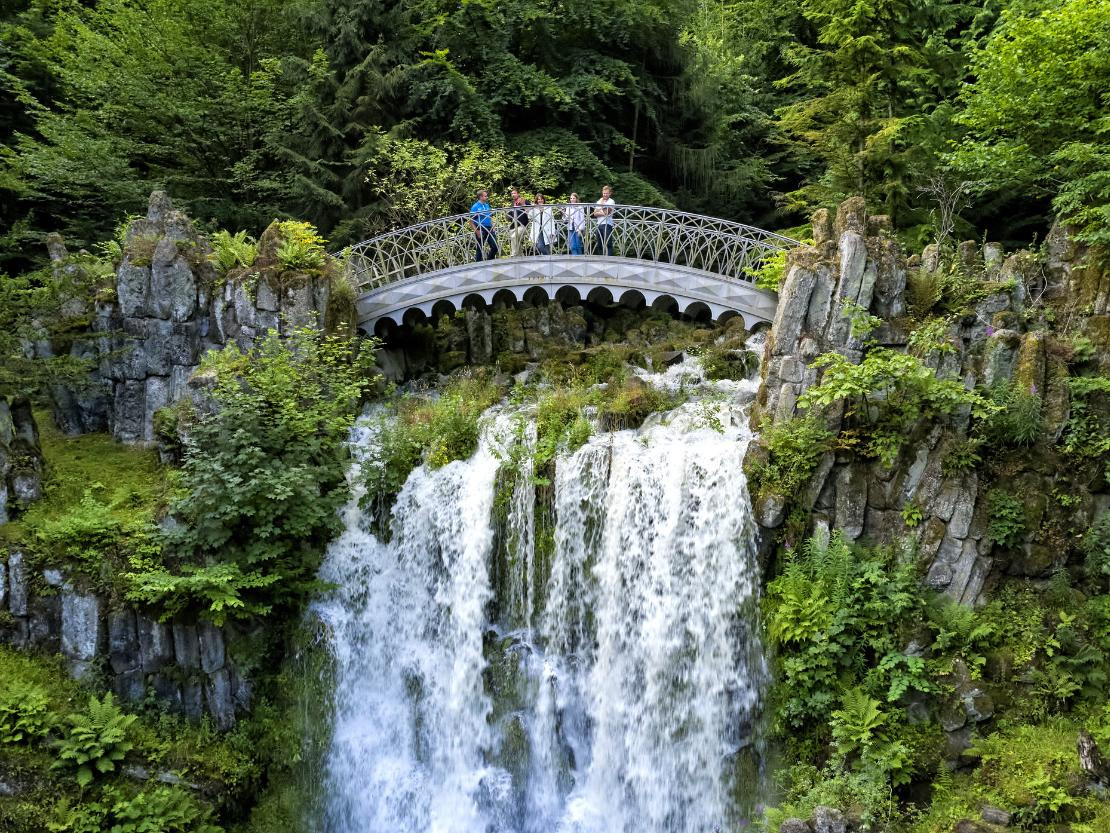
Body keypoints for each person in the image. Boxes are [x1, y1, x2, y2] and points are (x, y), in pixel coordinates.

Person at [469, 189, 498, 261]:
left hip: (489, 228)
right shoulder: (475, 207)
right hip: (480, 228)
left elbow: (489, 216)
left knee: (495, 246)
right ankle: (478, 264)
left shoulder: (487, 205)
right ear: (480, 197)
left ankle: (489, 260)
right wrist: (476, 231)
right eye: (485, 196)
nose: (487, 197)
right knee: (480, 248)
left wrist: (493, 225)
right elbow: (471, 221)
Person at [592, 184, 615, 256]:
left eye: (606, 193)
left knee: (608, 243)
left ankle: (609, 259)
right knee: (599, 243)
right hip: (599, 224)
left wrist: (600, 209)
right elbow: (595, 214)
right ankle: (600, 259)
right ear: (602, 193)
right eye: (604, 193)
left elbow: (607, 212)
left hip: (608, 224)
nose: (605, 195)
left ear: (609, 193)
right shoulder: (599, 201)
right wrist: (603, 210)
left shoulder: (611, 201)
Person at [508, 187, 529, 257]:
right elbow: (509, 217)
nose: (513, 195)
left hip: (522, 225)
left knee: (514, 237)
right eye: (512, 194)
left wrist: (523, 205)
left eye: (514, 193)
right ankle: (521, 257)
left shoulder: (524, 201)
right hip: (513, 226)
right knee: (517, 242)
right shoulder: (512, 204)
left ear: (518, 194)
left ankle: (513, 255)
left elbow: (530, 212)